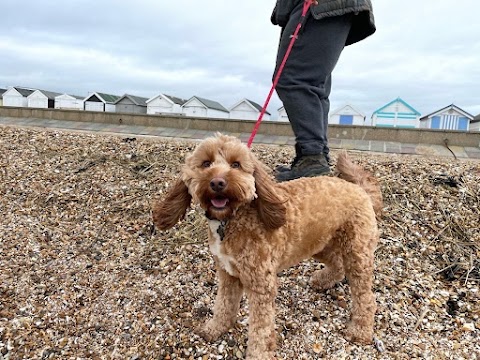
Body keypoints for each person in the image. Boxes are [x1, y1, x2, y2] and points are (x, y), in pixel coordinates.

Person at [271, 0, 376, 182]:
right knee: (314, 83)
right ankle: (315, 154)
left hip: (318, 6)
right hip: (324, 7)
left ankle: (312, 156)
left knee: (294, 78)